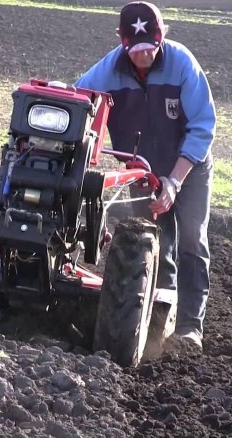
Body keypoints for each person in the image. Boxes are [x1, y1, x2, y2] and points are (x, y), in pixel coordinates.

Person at [74, 1, 215, 351]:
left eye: (150, 48)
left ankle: (189, 328)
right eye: (135, 50)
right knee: (156, 240)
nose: (143, 56)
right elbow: (78, 100)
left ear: (162, 36)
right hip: (142, 170)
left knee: (191, 240)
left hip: (190, 166)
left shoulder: (182, 65)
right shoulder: (109, 70)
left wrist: (175, 181)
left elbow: (203, 127)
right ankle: (156, 325)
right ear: (122, 42)